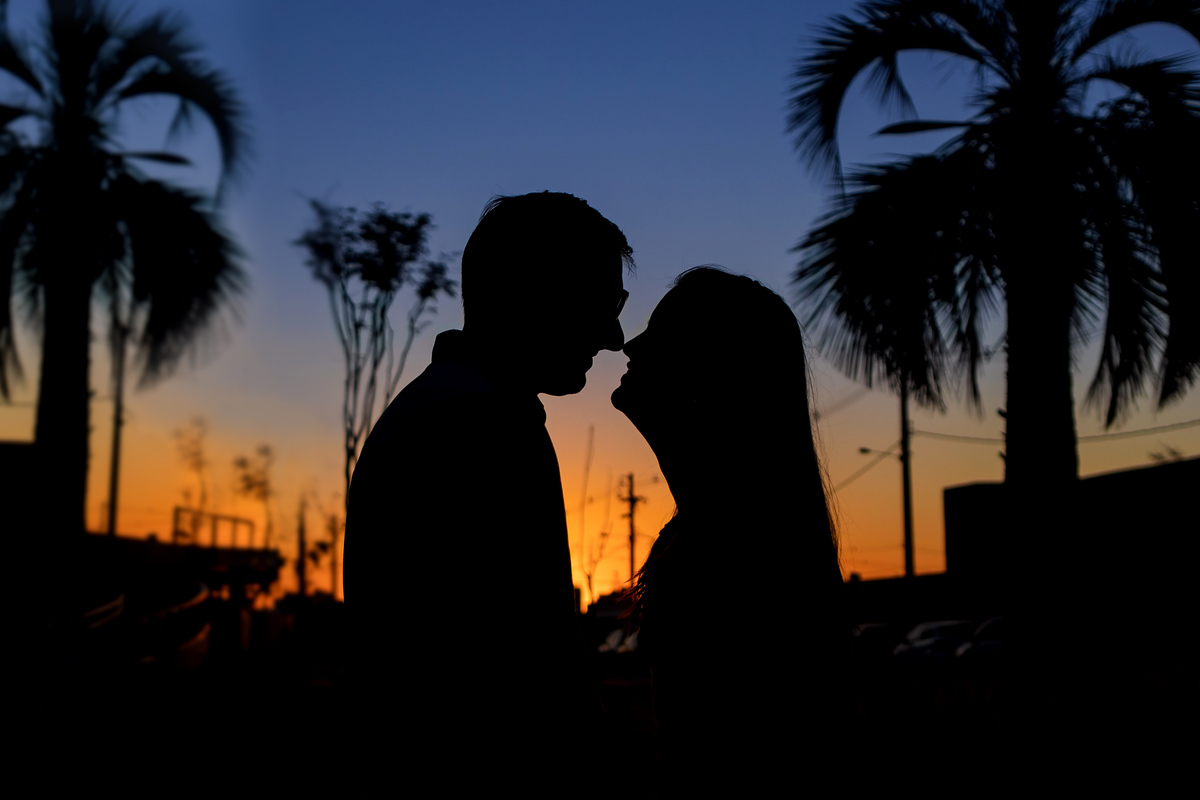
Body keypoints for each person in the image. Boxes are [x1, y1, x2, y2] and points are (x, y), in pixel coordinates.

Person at [346, 192, 633, 791]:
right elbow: (534, 663)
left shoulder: (447, 406)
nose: (613, 336)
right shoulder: (483, 425)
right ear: (537, 293)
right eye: (603, 304)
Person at [610, 266, 851, 795]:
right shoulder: (705, 534)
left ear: (708, 376)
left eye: (661, 335)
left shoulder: (733, 554)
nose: (630, 345)